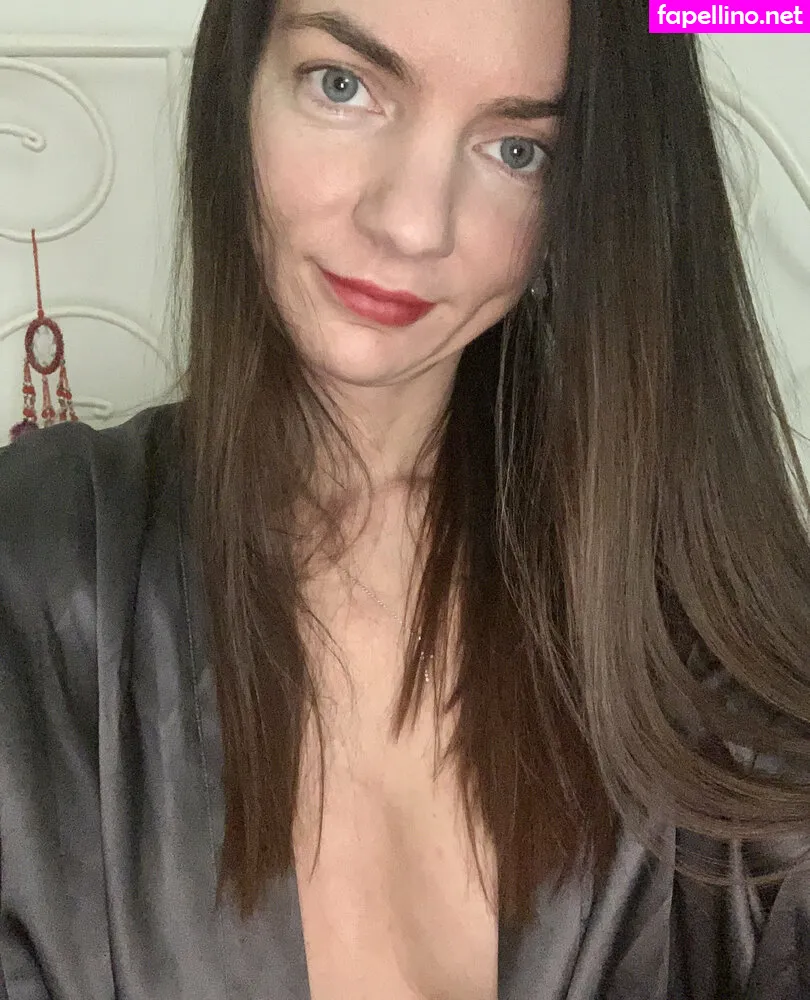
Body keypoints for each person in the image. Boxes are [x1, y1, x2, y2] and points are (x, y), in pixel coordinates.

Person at [1, 0, 809, 996]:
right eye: (344, 86)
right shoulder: (30, 580)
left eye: (517, 150)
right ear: (235, 86)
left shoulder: (693, 612)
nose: (413, 224)